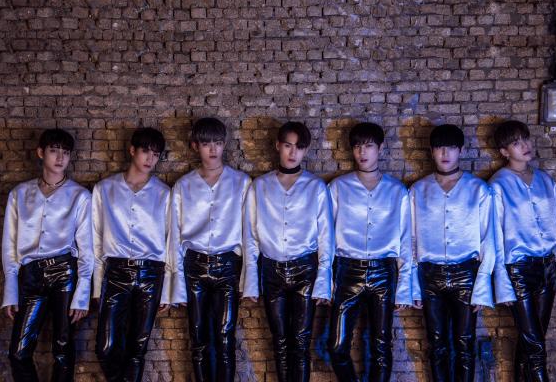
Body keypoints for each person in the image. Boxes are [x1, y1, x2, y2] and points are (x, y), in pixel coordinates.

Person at [242, 121, 335, 382]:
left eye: (299, 147)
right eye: (288, 145)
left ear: (305, 150)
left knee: (301, 342)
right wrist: (251, 281)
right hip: (271, 270)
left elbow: (326, 237)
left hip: (306, 270)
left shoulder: (316, 187)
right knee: (280, 341)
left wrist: (324, 281)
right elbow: (250, 235)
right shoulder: (259, 186)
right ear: (277, 146)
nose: (293, 152)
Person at [2, 128, 93, 381]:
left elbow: (87, 248)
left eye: (66, 152)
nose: (60, 157)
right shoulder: (19, 194)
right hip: (30, 276)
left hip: (65, 273)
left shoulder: (80, 196)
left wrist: (82, 294)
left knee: (63, 349)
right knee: (18, 352)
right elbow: (9, 245)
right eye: (54, 151)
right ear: (41, 153)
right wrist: (11, 289)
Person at [327, 122, 412, 382]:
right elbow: (326, 236)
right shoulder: (338, 187)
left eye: (368, 146)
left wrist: (405, 286)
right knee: (336, 346)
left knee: (381, 346)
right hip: (346, 270)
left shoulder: (397, 191)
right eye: (357, 146)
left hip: (384, 272)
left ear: (380, 148)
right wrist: (326, 279)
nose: (362, 152)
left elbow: (406, 239)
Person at [411, 124, 494, 382]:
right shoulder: (418, 190)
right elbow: (410, 240)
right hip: (430, 275)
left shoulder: (478, 189)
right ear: (431, 151)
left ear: (461, 150)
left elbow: (488, 239)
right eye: (439, 148)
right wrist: (412, 285)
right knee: (436, 343)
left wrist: (482, 285)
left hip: (466, 274)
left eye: (451, 147)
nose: (445, 153)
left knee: (465, 342)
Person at [169, 117, 251, 382]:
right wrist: (177, 284)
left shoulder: (241, 182)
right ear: (195, 146)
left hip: (228, 266)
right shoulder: (183, 186)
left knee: (225, 336)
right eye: (206, 143)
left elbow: (249, 233)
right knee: (198, 336)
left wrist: (249, 279)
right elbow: (175, 236)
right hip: (194, 267)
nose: (213, 149)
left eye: (217, 142)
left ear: (225, 144)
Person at [490, 120, 556, 382]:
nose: (525, 145)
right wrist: (502, 283)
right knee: (535, 345)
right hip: (518, 271)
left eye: (525, 139)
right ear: (504, 151)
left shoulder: (546, 181)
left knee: (532, 341)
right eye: (516, 143)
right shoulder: (498, 185)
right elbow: (495, 237)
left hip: (547, 267)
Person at [92, 127, 171, 382]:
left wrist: (168, 290)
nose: (150, 158)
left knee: (137, 351)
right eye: (146, 151)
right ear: (132, 150)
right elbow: (96, 239)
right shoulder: (105, 189)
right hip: (115, 272)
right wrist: (97, 286)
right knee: (105, 348)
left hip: (151, 273)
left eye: (156, 154)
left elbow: (171, 242)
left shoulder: (164, 193)